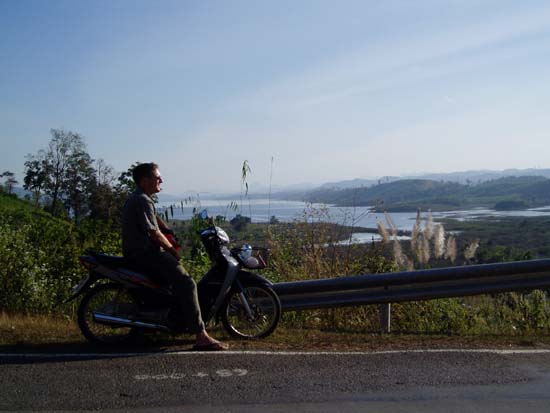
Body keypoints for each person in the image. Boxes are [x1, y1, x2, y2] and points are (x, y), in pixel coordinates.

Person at [121, 162, 228, 351]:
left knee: (172, 286)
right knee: (187, 283)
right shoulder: (142, 200)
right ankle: (201, 335)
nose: (161, 180)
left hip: (138, 253)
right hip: (146, 254)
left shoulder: (140, 198)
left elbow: (157, 223)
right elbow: (153, 232)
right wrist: (172, 250)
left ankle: (173, 319)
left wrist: (168, 230)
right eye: (157, 177)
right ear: (145, 180)